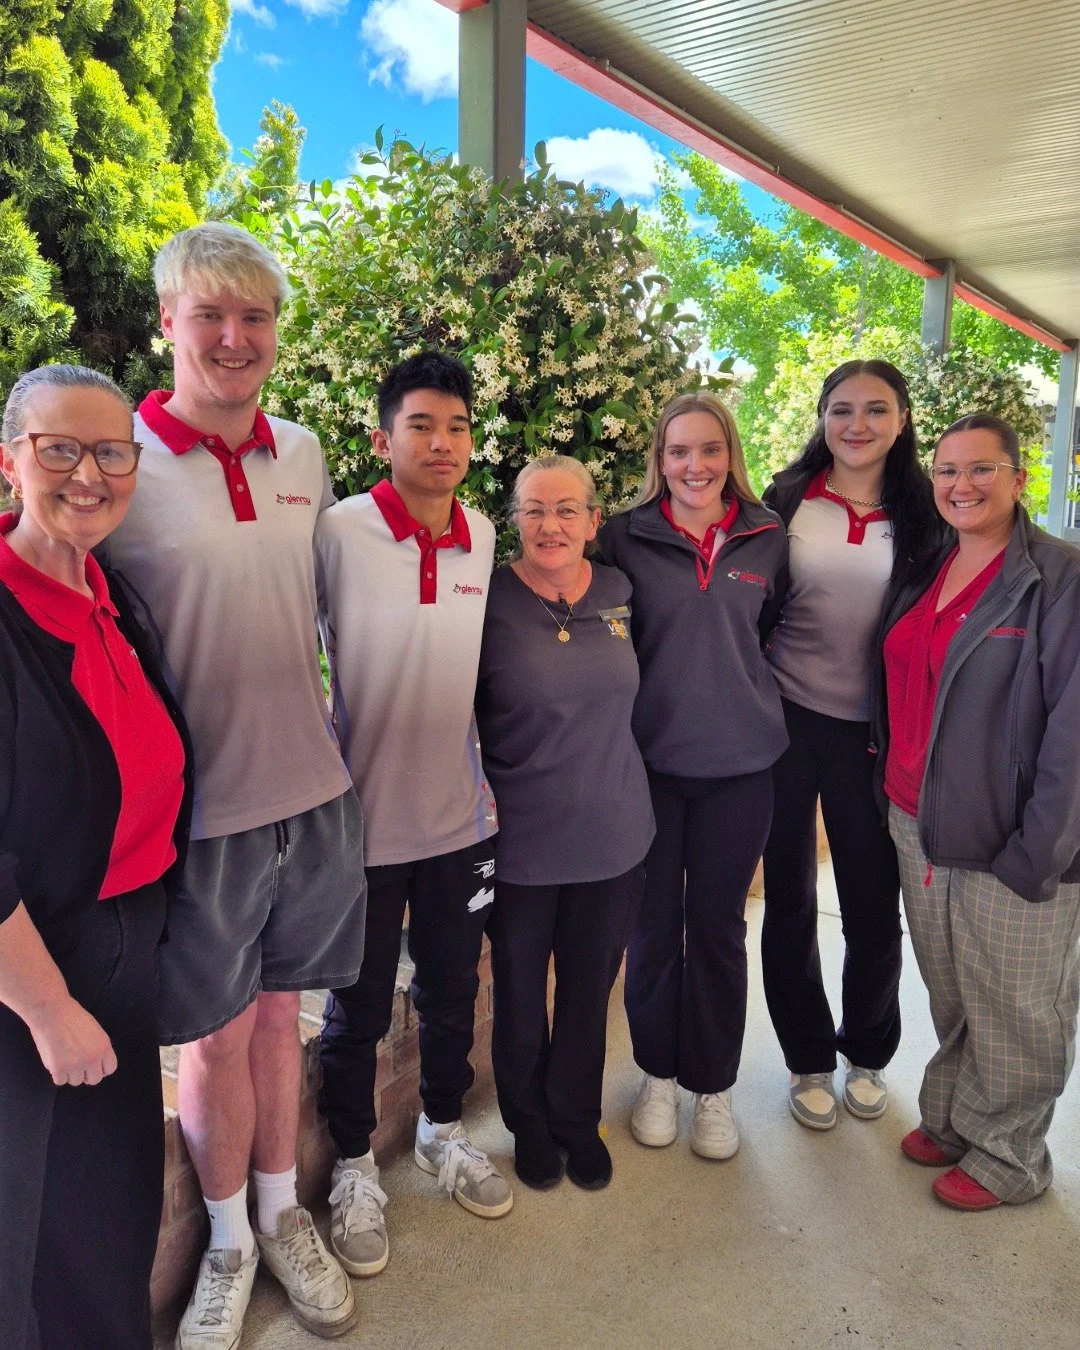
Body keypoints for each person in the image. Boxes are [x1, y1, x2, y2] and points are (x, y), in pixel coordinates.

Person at [100, 223, 366, 1346]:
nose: (232, 337)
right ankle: (223, 1244)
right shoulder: (116, 462)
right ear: (167, 321)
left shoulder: (302, 453)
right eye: (208, 314)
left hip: (312, 795)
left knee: (277, 1026)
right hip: (200, 814)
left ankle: (278, 1214)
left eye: (254, 317)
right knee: (209, 1042)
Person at [0, 365, 191, 1350]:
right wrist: (46, 1009)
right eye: (59, 448)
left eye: (111, 450)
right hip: (33, 978)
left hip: (122, 951)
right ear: (10, 461)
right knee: (26, 1241)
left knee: (108, 1220)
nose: (89, 473)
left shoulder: (108, 591)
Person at [316, 351, 510, 1281]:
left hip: (458, 820)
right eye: (421, 425)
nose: (442, 442)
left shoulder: (479, 532)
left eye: (457, 426)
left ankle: (440, 1131)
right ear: (383, 435)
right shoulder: (338, 531)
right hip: (356, 824)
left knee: (448, 990)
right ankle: (353, 1167)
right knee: (353, 1009)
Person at [877, 413, 1080, 1210]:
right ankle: (959, 1119)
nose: (962, 485)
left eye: (982, 469)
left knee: (1018, 1005)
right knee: (956, 989)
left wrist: (1042, 849)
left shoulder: (1057, 579)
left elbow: (1072, 728)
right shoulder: (932, 564)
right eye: (947, 470)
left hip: (1013, 835)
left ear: (1020, 477)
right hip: (915, 818)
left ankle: (1010, 1158)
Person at [597, 391, 788, 1159]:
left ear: (729, 454)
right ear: (660, 460)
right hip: (648, 768)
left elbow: (773, 635)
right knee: (650, 931)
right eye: (679, 451)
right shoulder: (623, 537)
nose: (695, 465)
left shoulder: (769, 538)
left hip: (742, 768)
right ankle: (657, 1076)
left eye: (709, 449)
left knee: (716, 931)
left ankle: (713, 1087)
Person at [760, 360, 943, 1130]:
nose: (857, 425)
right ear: (822, 418)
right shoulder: (785, 499)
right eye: (842, 410)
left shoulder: (931, 511)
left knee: (872, 900)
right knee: (790, 899)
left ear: (902, 420)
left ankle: (868, 1048)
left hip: (874, 731)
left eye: (876, 409)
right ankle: (806, 1057)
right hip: (781, 720)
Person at [475, 456, 654, 1191]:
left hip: (614, 835)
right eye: (534, 509)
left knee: (588, 990)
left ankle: (576, 1118)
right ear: (514, 519)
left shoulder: (619, 591)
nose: (551, 525)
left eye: (566, 509)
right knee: (519, 992)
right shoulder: (484, 603)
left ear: (593, 519)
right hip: (520, 840)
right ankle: (529, 1123)